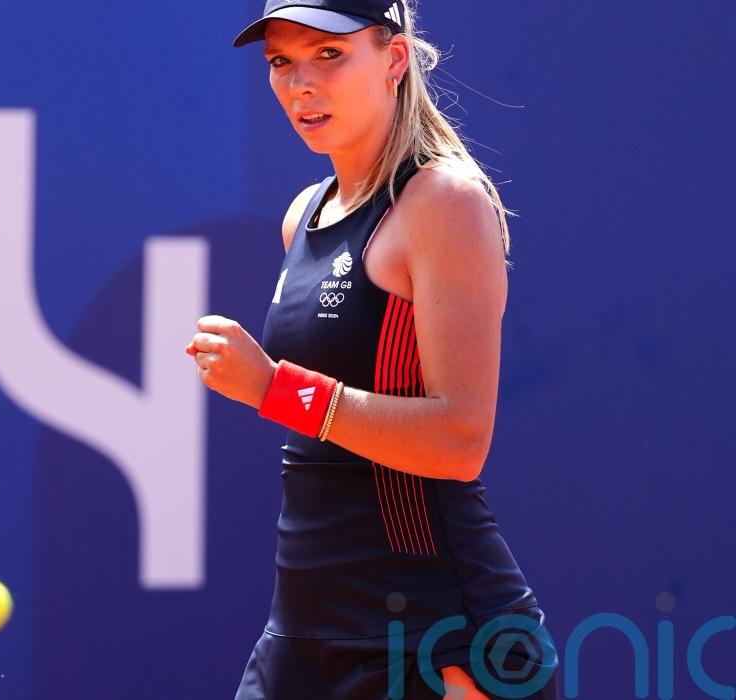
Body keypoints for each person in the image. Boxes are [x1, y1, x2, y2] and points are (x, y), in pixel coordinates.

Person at [184, 1, 560, 698]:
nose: (302, 83)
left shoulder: (444, 201)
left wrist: (273, 389)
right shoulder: (304, 214)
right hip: (301, 637)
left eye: (329, 54)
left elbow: (460, 440)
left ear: (395, 59)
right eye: (281, 62)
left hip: (433, 636)